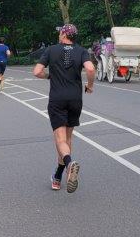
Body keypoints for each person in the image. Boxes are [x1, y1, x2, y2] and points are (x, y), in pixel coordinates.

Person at [33, 23, 95, 193]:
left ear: (63, 35)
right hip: (75, 99)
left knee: (60, 140)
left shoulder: (51, 50)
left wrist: (48, 76)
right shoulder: (81, 51)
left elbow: (37, 71)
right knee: (67, 140)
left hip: (57, 99)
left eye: (60, 32)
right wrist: (89, 86)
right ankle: (58, 177)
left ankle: (69, 164)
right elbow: (90, 68)